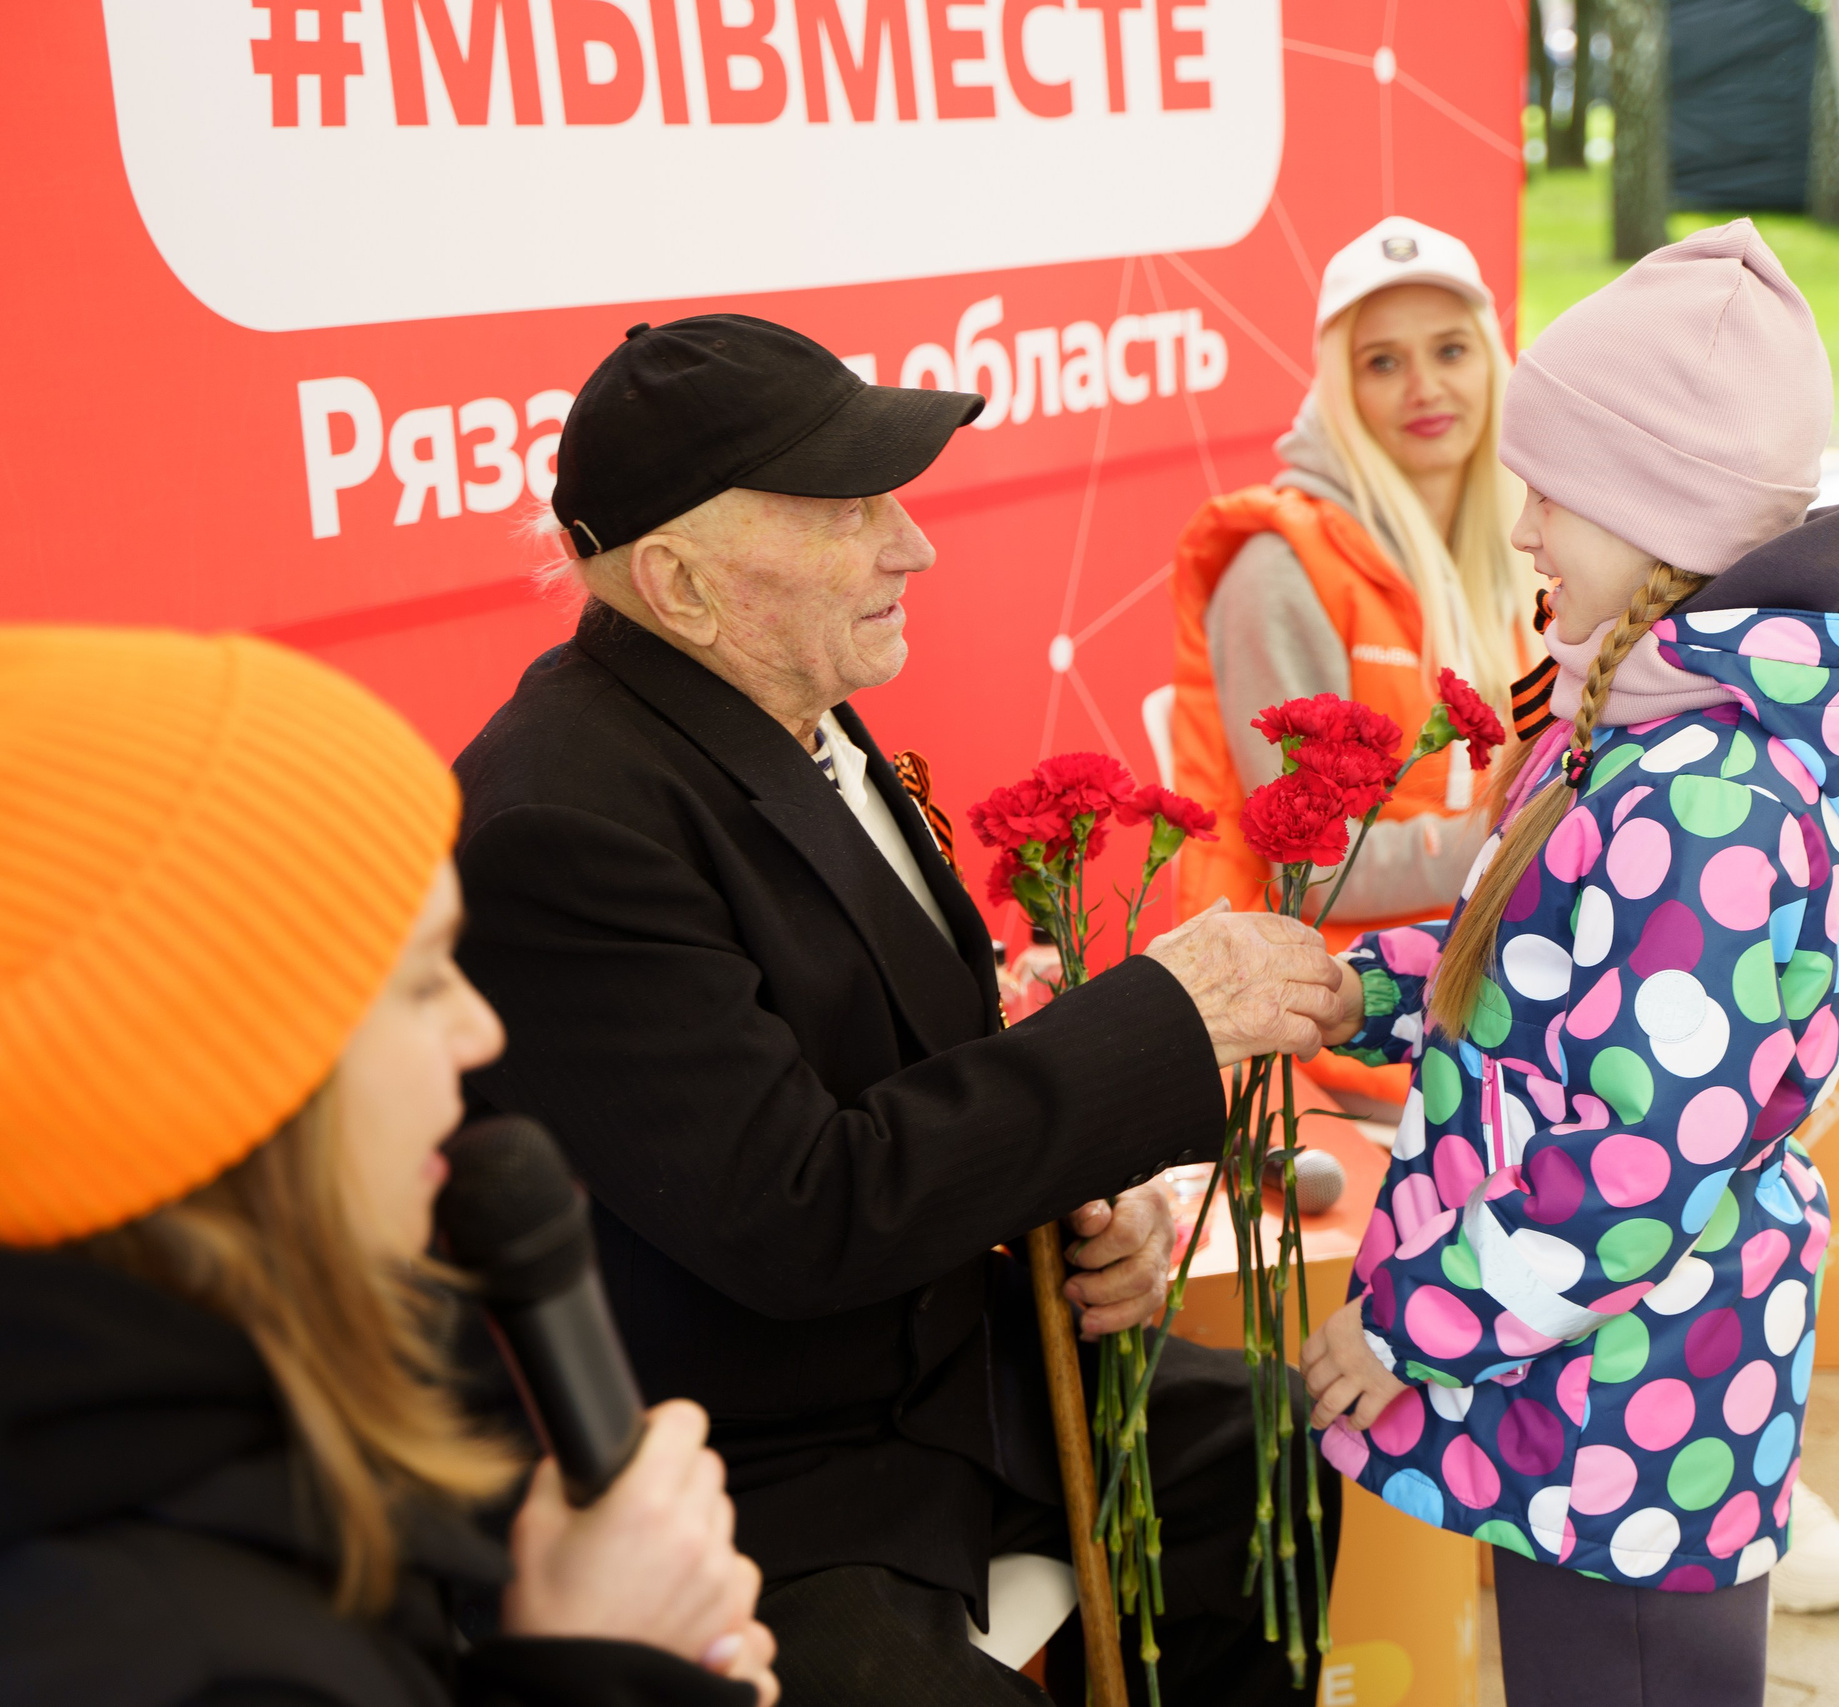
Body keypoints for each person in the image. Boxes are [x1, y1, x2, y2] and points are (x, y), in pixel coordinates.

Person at [450, 315, 1346, 1705]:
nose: (913, 544)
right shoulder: (562, 824)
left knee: (1261, 1445)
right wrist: (1164, 1019)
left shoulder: (773, 699)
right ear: (680, 581)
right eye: (849, 511)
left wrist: (1088, 1202)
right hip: (762, 1455)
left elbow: (908, 1063)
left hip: (938, 1362)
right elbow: (802, 1205)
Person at [1295, 225, 1839, 1705]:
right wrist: (1364, 986)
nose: (1523, 530)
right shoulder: (1636, 721)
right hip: (1592, 1368)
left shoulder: (1704, 794)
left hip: (1641, 1395)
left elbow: (1646, 1158)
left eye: (1556, 496)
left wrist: (1411, 1325)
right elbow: (1538, 964)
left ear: (1662, 519)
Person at [0, 626, 777, 1707]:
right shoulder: (124, 1647)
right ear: (220, 1069)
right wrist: (594, 1670)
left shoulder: (248, 1412)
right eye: (421, 986)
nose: (479, 1034)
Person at [1172, 215, 1540, 1117]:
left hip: (1497, 976)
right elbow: (1318, 865)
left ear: (1492, 361)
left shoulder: (1525, 545)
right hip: (1353, 1026)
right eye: (1382, 361)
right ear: (1339, 386)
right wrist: (1538, 837)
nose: (1425, 388)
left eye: (1450, 349)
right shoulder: (1279, 574)